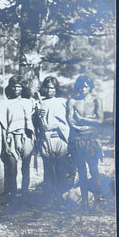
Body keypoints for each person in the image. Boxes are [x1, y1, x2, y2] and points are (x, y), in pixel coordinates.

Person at [34, 76, 75, 207]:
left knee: (61, 170)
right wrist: (37, 116)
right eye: (47, 87)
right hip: (46, 140)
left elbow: (69, 121)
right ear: (43, 88)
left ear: (56, 88)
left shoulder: (63, 102)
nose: (49, 90)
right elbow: (35, 124)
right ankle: (49, 199)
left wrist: (56, 125)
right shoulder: (39, 103)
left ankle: (61, 198)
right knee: (49, 171)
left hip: (60, 139)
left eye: (52, 88)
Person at [67, 75, 104, 210]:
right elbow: (70, 118)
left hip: (91, 138)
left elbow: (100, 121)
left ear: (90, 87)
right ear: (78, 87)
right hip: (77, 139)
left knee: (94, 170)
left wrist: (83, 119)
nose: (84, 89)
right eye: (82, 86)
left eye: (87, 86)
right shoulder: (72, 101)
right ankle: (83, 202)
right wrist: (75, 126)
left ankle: (98, 202)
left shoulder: (96, 100)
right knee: (81, 171)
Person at [0, 75, 35, 203]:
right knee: (12, 169)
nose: (16, 88)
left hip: (26, 137)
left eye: (19, 86)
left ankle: (25, 195)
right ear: (10, 88)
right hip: (11, 138)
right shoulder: (4, 103)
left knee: (26, 168)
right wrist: (5, 144)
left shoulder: (29, 102)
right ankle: (13, 197)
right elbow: (3, 125)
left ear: (23, 88)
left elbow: (34, 118)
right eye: (14, 86)